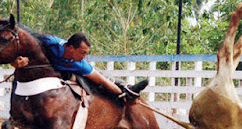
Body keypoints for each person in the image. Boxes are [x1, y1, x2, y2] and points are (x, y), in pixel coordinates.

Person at [12, 32, 145, 101]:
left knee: (99, 81)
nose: (84, 56)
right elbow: (25, 44)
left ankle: (126, 89)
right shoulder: (50, 42)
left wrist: (121, 94)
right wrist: (17, 61)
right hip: (38, 77)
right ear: (70, 48)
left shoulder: (80, 64)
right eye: (82, 53)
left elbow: (102, 80)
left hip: (64, 75)